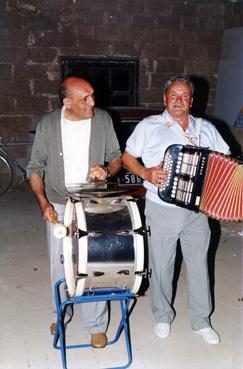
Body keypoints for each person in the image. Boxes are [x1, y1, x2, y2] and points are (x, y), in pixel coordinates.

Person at [122, 75, 229, 345]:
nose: (178, 101)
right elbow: (127, 157)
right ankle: (162, 316)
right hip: (162, 208)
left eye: (184, 96)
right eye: (173, 95)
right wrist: (145, 172)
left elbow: (225, 161)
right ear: (164, 99)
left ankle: (201, 320)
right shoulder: (150, 126)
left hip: (197, 210)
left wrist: (216, 194)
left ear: (192, 101)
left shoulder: (205, 128)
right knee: (161, 265)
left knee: (199, 265)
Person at [26, 77, 122, 349]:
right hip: (59, 204)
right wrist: (43, 202)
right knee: (61, 263)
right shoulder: (48, 124)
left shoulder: (102, 120)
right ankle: (61, 313)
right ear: (66, 102)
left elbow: (116, 157)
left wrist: (106, 171)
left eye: (93, 96)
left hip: (94, 202)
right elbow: (34, 167)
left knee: (96, 264)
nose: (93, 102)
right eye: (85, 99)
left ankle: (96, 326)